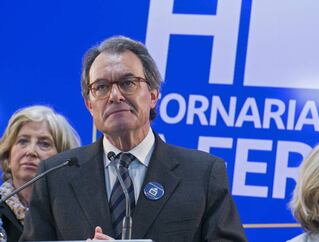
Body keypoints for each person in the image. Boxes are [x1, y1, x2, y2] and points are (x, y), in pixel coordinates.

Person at [21, 36, 247, 241]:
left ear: (153, 95)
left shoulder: (202, 174)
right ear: (89, 105)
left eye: (128, 83)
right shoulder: (56, 176)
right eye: (101, 87)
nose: (115, 96)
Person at [0, 105, 80, 241]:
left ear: (63, 156)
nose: (31, 151)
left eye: (44, 144)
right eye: (23, 141)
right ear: (8, 154)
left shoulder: (77, 212)